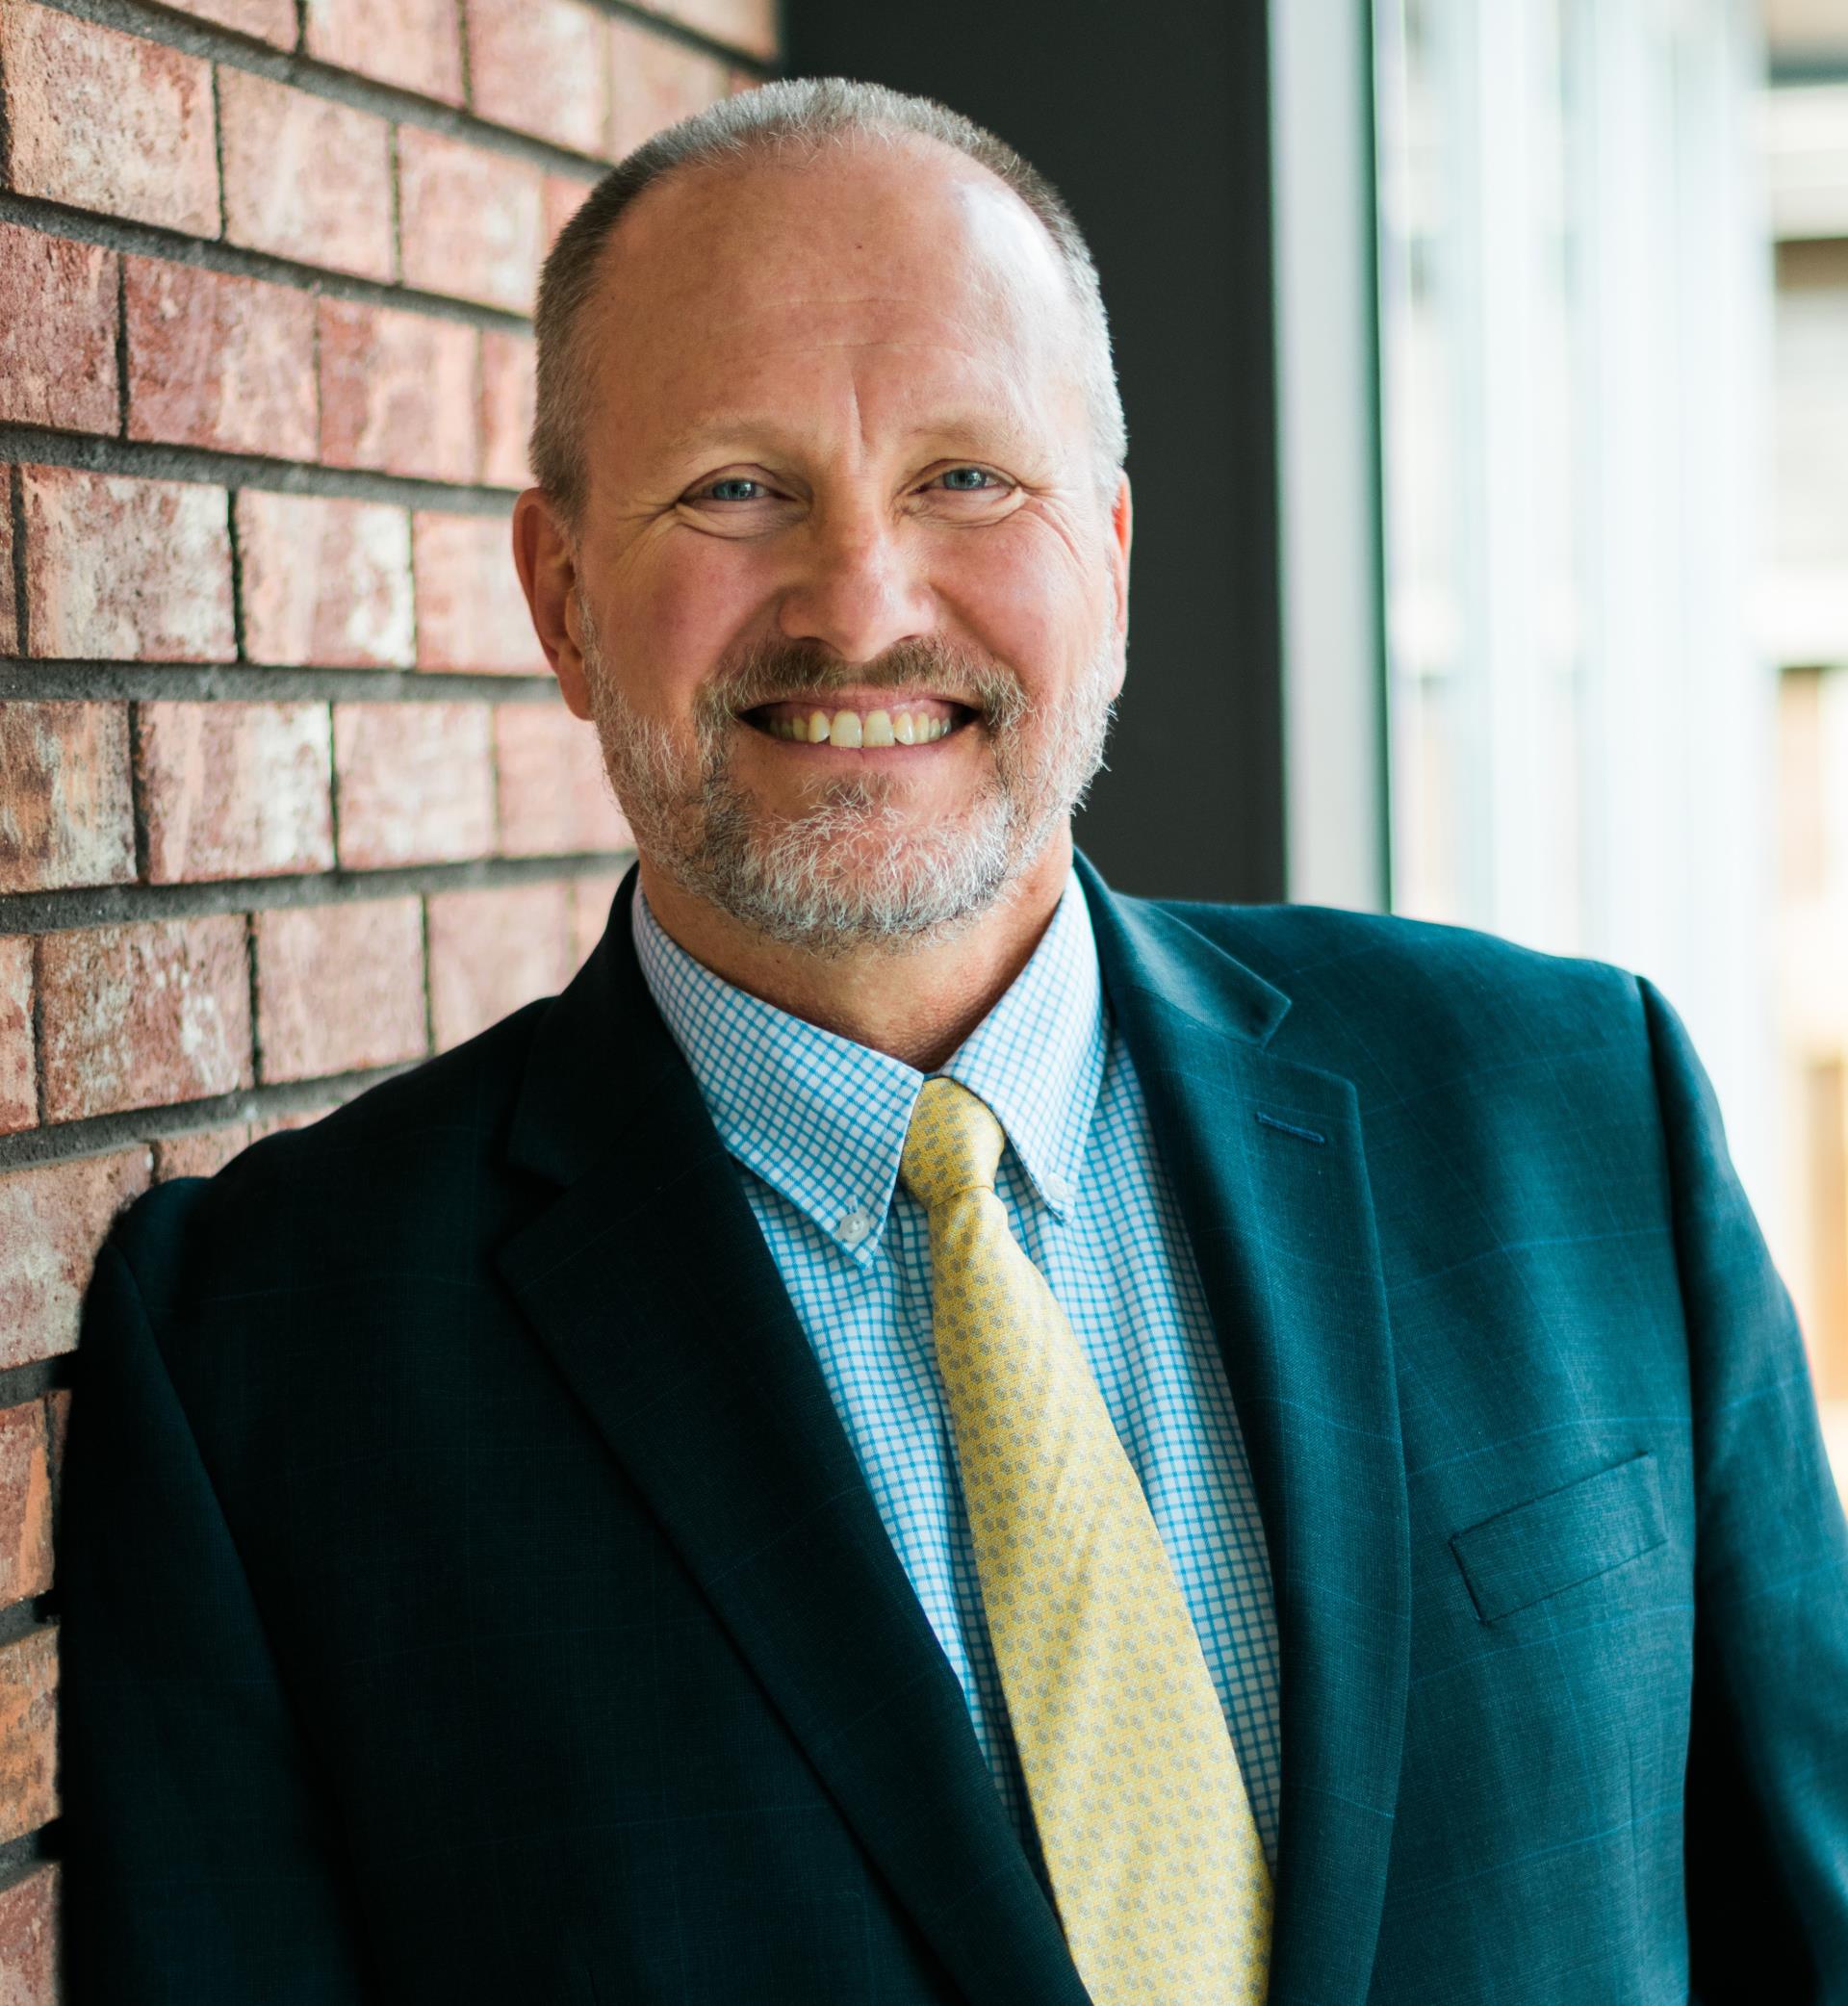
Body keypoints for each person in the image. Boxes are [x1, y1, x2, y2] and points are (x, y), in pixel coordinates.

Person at [58, 77, 1848, 2006]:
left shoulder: (1572, 1112)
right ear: (564, 599)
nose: (864, 604)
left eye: (966, 481)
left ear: (1114, 552)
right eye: (739, 490)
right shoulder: (272, 1358)